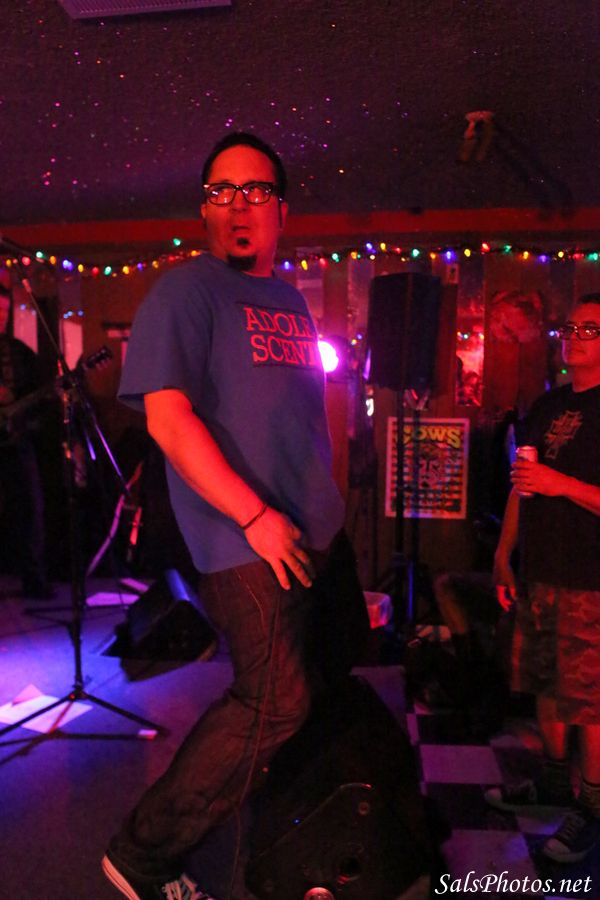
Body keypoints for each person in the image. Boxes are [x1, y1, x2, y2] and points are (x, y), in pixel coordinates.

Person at [102, 133, 369, 900]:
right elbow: (168, 420)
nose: (238, 204)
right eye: (222, 191)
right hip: (244, 539)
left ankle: (274, 828)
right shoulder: (185, 292)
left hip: (311, 531)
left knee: (326, 673)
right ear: (205, 211)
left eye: (256, 190)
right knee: (274, 700)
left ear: (282, 211)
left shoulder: (289, 300)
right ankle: (141, 855)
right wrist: (255, 516)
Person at [485, 293, 600, 864]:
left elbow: (551, 483)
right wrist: (504, 553)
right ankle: (555, 783)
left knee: (590, 702)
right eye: (571, 326)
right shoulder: (550, 404)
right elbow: (523, 484)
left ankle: (593, 808)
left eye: (590, 329)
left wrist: (562, 485)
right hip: (541, 572)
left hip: (591, 580)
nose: (574, 336)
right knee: (547, 687)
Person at [0, 280, 51, 598]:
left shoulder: (20, 352)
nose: (1, 316)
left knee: (32, 507)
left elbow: (38, 397)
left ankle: (34, 579)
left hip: (16, 441)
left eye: (5, 311)